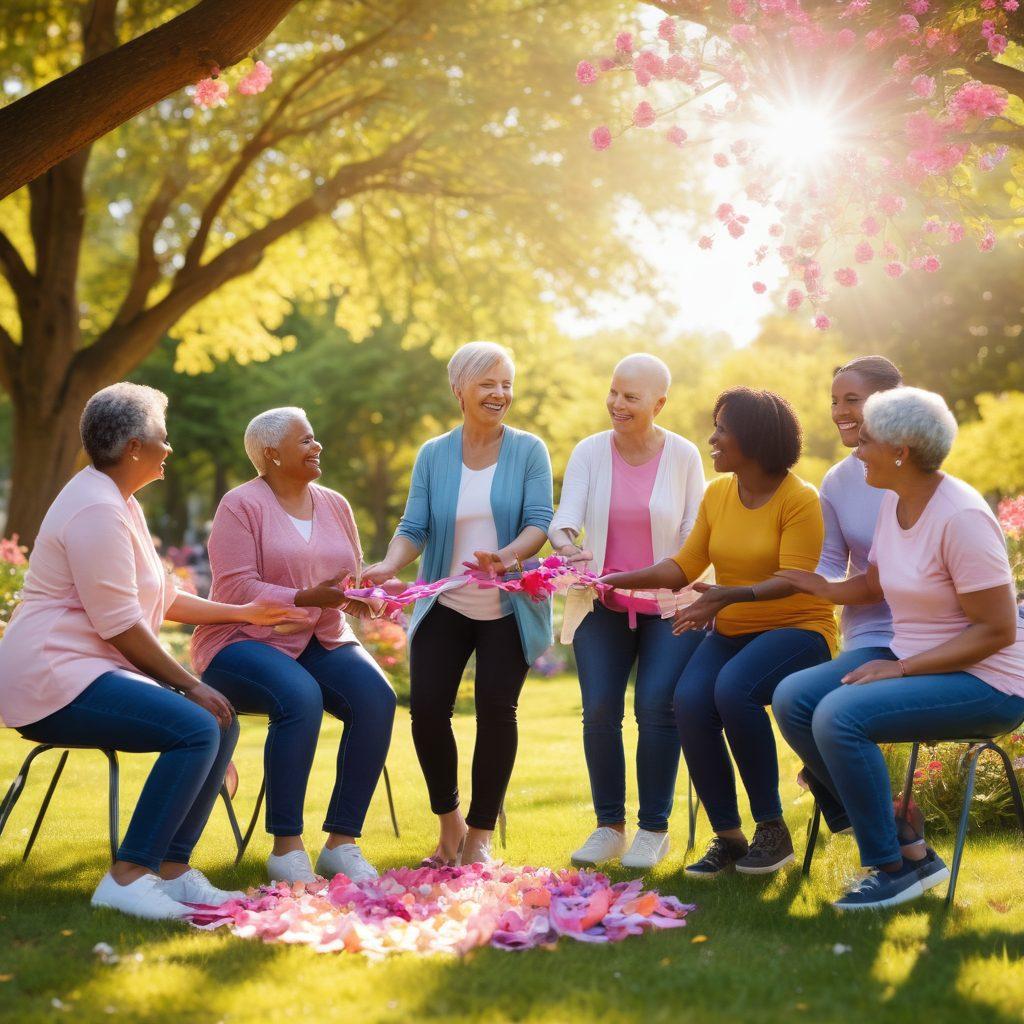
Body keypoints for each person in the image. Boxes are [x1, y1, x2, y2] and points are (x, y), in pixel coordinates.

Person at [0, 384, 303, 920]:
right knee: (196, 723)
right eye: (163, 439)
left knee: (219, 718)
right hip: (52, 675)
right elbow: (120, 626)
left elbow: (161, 598)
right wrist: (190, 682)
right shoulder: (95, 509)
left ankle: (173, 871)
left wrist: (245, 612)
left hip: (87, 670)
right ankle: (129, 876)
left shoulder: (121, 503)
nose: (170, 449)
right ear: (136, 446)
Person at [773, 386, 1024, 910]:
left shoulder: (960, 518)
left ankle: (892, 867)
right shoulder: (895, 501)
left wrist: (901, 669)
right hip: (913, 658)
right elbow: (873, 585)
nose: (856, 450)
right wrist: (817, 586)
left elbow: (997, 631)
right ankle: (902, 836)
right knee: (794, 698)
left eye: (865, 441)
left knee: (839, 715)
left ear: (900, 452)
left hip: (988, 681)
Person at [601, 387, 837, 878]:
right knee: (686, 699)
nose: (712, 438)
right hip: (732, 632)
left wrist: (728, 595)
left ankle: (772, 829)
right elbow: (685, 565)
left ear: (752, 439)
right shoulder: (717, 494)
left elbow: (794, 577)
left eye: (722, 429)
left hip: (799, 630)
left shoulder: (800, 500)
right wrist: (616, 577)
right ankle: (729, 837)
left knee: (733, 691)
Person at [363, 342, 553, 866]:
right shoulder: (434, 454)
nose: (500, 394)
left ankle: (479, 835)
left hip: (507, 606)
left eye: (507, 383)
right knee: (426, 713)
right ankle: (449, 828)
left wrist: (508, 556)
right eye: (488, 383)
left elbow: (539, 519)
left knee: (496, 711)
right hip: (445, 602)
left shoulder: (529, 450)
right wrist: (387, 565)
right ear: (460, 389)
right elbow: (414, 527)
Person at [192, 408, 398, 885]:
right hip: (241, 640)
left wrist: (367, 600)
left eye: (314, 437)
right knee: (299, 696)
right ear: (271, 454)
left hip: (320, 636)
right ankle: (287, 848)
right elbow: (236, 587)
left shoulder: (335, 504)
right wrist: (306, 597)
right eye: (305, 441)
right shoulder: (240, 505)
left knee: (376, 698)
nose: (316, 447)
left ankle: (341, 844)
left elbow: (346, 581)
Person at [549, 354, 705, 869]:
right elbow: (564, 519)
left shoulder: (683, 456)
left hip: (669, 606)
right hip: (603, 603)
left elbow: (693, 536)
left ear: (659, 404)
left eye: (631, 397)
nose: (617, 404)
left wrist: (676, 579)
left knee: (657, 706)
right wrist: (568, 545)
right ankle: (608, 827)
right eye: (614, 392)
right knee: (599, 711)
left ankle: (653, 830)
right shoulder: (591, 452)